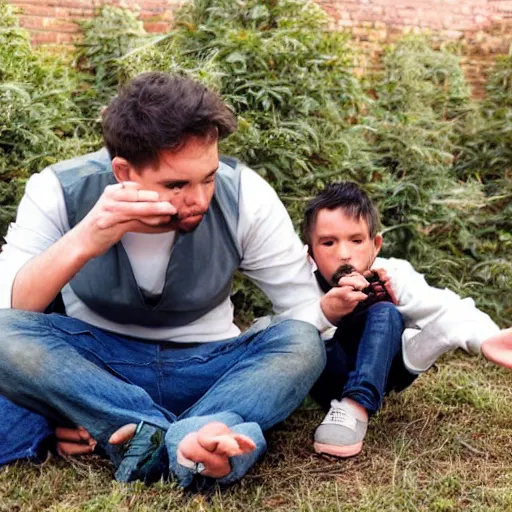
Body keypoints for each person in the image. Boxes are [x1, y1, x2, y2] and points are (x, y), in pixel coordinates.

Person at [0, 72, 354, 488]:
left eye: (207, 177)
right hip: (99, 369)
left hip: (210, 366)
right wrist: (87, 238)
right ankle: (197, 442)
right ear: (123, 171)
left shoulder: (245, 195)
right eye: (176, 185)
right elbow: (14, 312)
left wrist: (78, 411)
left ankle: (151, 437)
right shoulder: (59, 190)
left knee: (301, 341)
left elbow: (301, 309)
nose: (200, 199)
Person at [301, 181, 512, 458]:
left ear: (375, 245)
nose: (344, 253)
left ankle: (355, 407)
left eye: (356, 240)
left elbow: (445, 304)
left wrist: (486, 338)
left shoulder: (391, 273)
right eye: (328, 243)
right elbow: (285, 335)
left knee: (386, 311)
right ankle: (418, 347)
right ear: (310, 253)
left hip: (387, 375)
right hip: (325, 374)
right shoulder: (299, 282)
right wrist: (328, 311)